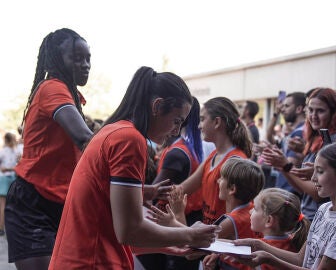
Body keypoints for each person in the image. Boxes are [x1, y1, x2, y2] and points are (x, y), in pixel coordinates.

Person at [49, 67, 218, 269]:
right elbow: (129, 230)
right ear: (157, 106)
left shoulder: (114, 131)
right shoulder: (129, 139)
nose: (175, 130)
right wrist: (189, 234)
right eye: (176, 121)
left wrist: (171, 243)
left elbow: (114, 228)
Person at [4, 28, 94, 270]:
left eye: (88, 58)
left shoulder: (72, 95)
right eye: (77, 58)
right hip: (32, 204)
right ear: (56, 60)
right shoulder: (52, 87)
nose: (85, 64)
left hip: (62, 203)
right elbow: (85, 138)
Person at [234, 141, 336, 269]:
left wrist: (270, 259)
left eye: (320, 171)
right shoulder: (324, 209)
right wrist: (258, 245)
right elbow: (301, 259)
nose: (313, 178)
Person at [137, 97, 204, 270]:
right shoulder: (189, 148)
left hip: (173, 221)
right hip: (182, 220)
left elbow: (152, 196)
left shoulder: (177, 152)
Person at [261, 88, 336, 220]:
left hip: (320, 217)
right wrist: (282, 166)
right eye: (310, 110)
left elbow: (317, 192)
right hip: (308, 215)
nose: (313, 116)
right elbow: (302, 188)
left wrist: (285, 166)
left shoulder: (334, 140)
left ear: (333, 113)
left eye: (320, 111)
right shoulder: (316, 138)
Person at [179, 96, 253, 225]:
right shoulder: (213, 155)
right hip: (213, 236)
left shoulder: (235, 160)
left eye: (202, 119)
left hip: (225, 239)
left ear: (217, 122)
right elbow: (181, 189)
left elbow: (237, 218)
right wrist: (148, 193)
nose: (198, 126)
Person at [203, 157, 265, 270]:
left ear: (232, 189)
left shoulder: (230, 222)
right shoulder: (253, 210)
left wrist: (177, 214)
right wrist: (217, 253)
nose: (218, 181)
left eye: (222, 178)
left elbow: (191, 251)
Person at [249, 188, 311, 270]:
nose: (250, 211)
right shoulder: (296, 241)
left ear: (269, 220)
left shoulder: (256, 250)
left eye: (255, 209)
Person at [266, 92, 306, 197]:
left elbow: (292, 165)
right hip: (286, 189)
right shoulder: (295, 131)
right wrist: (276, 113)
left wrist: (278, 160)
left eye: (287, 106)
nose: (282, 109)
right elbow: (269, 136)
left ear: (299, 109)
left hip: (289, 190)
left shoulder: (299, 132)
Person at [0, 132, 22, 236]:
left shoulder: (3, 151)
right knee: (13, 204)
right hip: (13, 178)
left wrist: (5, 168)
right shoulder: (16, 151)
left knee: (2, 205)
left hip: (3, 178)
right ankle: (13, 228)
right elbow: (19, 165)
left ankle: (1, 228)